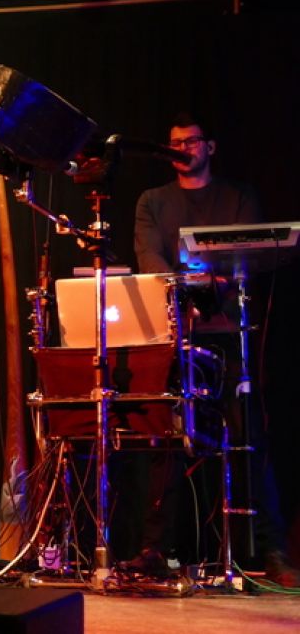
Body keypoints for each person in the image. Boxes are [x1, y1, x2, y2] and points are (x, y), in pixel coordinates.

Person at [128, 113, 299, 585]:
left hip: (230, 336)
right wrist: (189, 288)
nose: (183, 148)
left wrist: (213, 284)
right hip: (175, 337)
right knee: (167, 440)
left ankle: (271, 550)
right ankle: (154, 549)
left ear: (210, 147)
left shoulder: (238, 197)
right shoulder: (152, 202)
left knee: (249, 439)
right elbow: (150, 260)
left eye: (191, 141)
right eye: (175, 142)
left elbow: (247, 256)